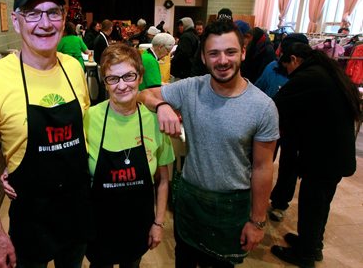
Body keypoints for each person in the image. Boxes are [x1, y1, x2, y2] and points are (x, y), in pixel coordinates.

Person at [0, 0, 93, 268]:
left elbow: (83, 133)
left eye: (53, 12)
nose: (44, 23)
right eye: (33, 13)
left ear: (63, 19)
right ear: (16, 19)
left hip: (75, 208)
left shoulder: (74, 67)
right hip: (31, 217)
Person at [138, 19, 279, 268]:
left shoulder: (263, 107)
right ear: (203, 57)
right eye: (214, 53)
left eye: (230, 51)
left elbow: (262, 168)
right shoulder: (191, 88)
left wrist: (257, 222)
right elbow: (144, 94)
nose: (222, 60)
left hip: (231, 207)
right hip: (190, 201)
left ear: (243, 52)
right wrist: (161, 106)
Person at [270, 42, 360, 268]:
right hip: (333, 154)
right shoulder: (324, 70)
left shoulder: (309, 77)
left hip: (325, 157)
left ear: (294, 60)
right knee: (320, 204)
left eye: (287, 67)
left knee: (313, 204)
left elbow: (276, 104)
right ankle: (312, 245)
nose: (287, 73)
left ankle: (306, 255)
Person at [84, 44, 175, 268]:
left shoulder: (154, 121)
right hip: (98, 227)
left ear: (140, 76)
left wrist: (158, 223)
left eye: (128, 76)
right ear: (105, 83)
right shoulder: (89, 118)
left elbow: (163, 180)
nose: (122, 85)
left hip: (138, 227)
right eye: (113, 79)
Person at [255, 33, 309, 224]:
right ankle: (253, 198)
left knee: (289, 167)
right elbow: (258, 88)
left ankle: (279, 203)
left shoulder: (308, 76)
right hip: (268, 126)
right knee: (260, 162)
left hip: (294, 130)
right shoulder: (273, 67)